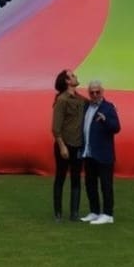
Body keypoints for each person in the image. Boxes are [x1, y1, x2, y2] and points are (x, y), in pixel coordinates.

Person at [78, 80, 121, 225]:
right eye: (92, 92)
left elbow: (116, 127)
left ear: (102, 92)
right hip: (89, 153)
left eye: (97, 92)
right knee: (90, 184)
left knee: (105, 185)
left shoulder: (108, 108)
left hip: (104, 154)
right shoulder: (86, 107)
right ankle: (94, 211)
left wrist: (105, 120)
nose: (95, 94)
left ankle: (108, 214)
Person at [50, 69, 85, 222]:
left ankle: (74, 212)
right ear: (67, 81)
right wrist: (62, 146)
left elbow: (94, 104)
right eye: (73, 76)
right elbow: (55, 127)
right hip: (65, 145)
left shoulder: (80, 99)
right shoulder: (62, 100)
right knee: (60, 177)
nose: (76, 77)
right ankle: (58, 212)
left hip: (77, 145)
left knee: (76, 178)